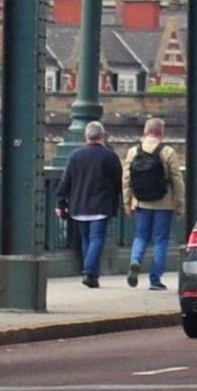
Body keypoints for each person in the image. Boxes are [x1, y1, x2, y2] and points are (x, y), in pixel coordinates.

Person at [58, 119, 124, 286]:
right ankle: (88, 272)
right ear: (102, 136)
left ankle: (92, 276)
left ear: (86, 137)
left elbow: (66, 181)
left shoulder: (75, 156)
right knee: (97, 239)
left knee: (87, 239)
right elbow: (119, 181)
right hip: (101, 205)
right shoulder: (109, 156)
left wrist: (60, 203)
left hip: (79, 205)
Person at [123, 115, 183, 290]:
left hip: (141, 202)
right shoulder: (167, 152)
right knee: (161, 241)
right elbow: (177, 180)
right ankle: (155, 280)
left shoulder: (133, 151)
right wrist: (179, 203)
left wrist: (127, 202)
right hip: (164, 203)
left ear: (145, 131)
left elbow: (126, 179)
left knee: (140, 236)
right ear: (161, 133)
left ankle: (135, 261)